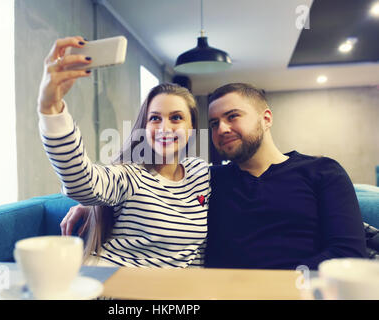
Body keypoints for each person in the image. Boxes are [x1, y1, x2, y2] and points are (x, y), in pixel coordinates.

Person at [37, 36, 209, 268]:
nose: (164, 128)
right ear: (145, 127)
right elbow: (81, 181)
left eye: (176, 118)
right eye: (155, 118)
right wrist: (50, 108)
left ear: (191, 129)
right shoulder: (130, 176)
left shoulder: (201, 174)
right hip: (116, 288)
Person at [205, 83, 367, 270]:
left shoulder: (322, 171)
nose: (221, 129)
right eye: (214, 124)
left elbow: (348, 253)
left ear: (266, 119)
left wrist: (281, 283)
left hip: (302, 292)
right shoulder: (209, 180)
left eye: (232, 116)